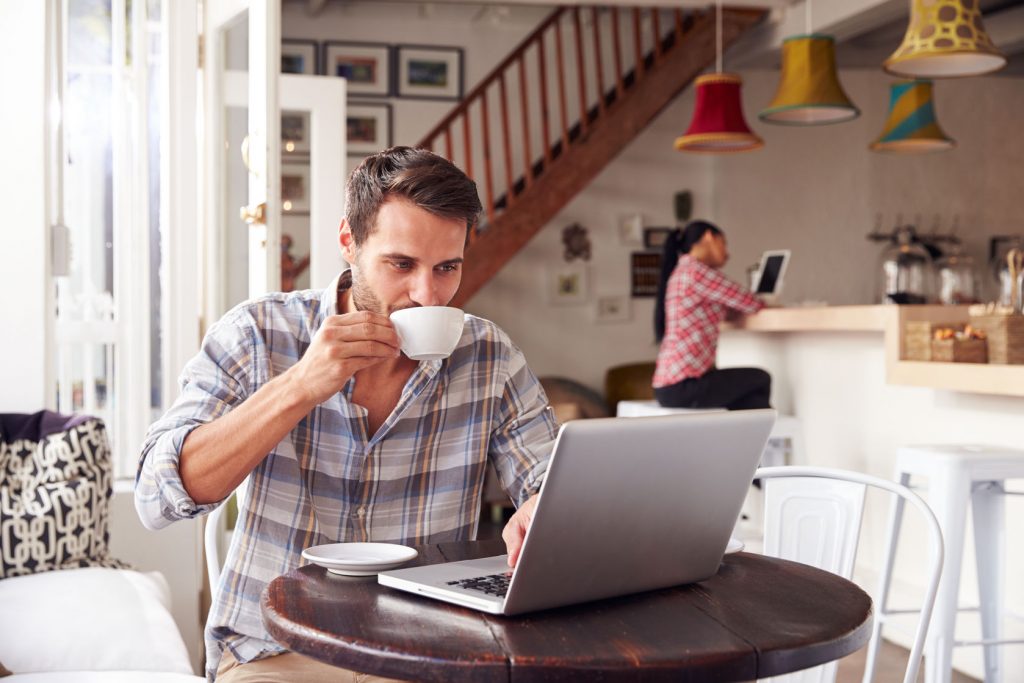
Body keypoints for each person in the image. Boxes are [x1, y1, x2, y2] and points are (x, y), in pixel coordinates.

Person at [135, 147, 558, 682]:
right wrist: (300, 385)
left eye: (447, 267)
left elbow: (549, 479)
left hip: (427, 651)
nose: (426, 295)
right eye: (401, 264)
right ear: (349, 243)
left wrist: (540, 509)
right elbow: (155, 497)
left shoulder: (488, 354)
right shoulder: (258, 333)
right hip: (275, 651)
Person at [652, 220, 771, 411]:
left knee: (746, 389)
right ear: (708, 237)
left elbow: (727, 309)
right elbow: (751, 302)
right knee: (760, 379)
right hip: (684, 385)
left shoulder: (682, 272)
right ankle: (757, 437)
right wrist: (769, 299)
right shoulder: (697, 272)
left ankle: (744, 436)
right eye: (724, 243)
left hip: (670, 385)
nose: (727, 253)